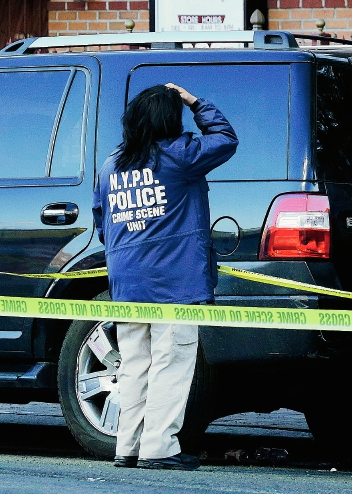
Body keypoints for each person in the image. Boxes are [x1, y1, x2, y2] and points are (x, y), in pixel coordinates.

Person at [92, 83, 237, 471]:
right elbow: (225, 139)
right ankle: (159, 449)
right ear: (169, 119)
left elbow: (103, 225)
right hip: (175, 281)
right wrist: (195, 100)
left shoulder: (111, 166)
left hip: (127, 282)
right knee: (170, 365)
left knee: (134, 365)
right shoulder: (180, 155)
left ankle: (128, 446)